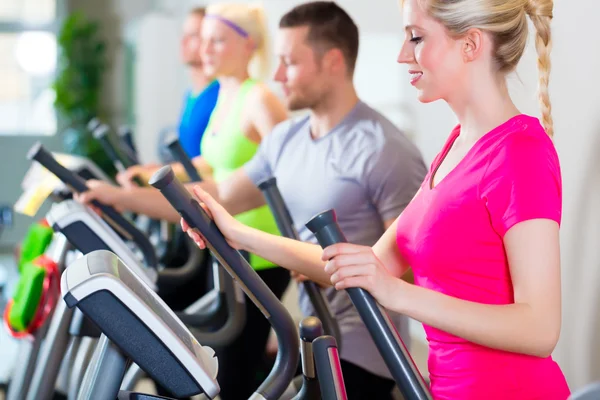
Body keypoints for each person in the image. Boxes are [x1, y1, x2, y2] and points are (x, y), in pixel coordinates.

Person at [314, 0, 571, 399]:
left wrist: (399, 294)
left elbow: (540, 329)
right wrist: (236, 236)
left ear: (470, 44)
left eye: (416, 38)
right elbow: (367, 268)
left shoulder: (520, 152)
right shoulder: (454, 148)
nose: (403, 56)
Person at [180, 2, 427, 399]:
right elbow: (223, 194)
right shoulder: (287, 139)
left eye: (289, 62)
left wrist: (264, 244)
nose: (277, 76)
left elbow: (415, 271)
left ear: (332, 61)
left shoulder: (386, 150)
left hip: (366, 353)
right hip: (315, 336)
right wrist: (135, 197)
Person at [78, 3, 289, 399]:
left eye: (217, 40)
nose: (205, 48)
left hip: (259, 255)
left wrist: (124, 196)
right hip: (226, 245)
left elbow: (290, 169)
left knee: (233, 375)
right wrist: (151, 173)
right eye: (203, 39)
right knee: (214, 363)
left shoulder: (260, 99)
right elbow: (214, 162)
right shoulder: (227, 93)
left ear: (249, 45)